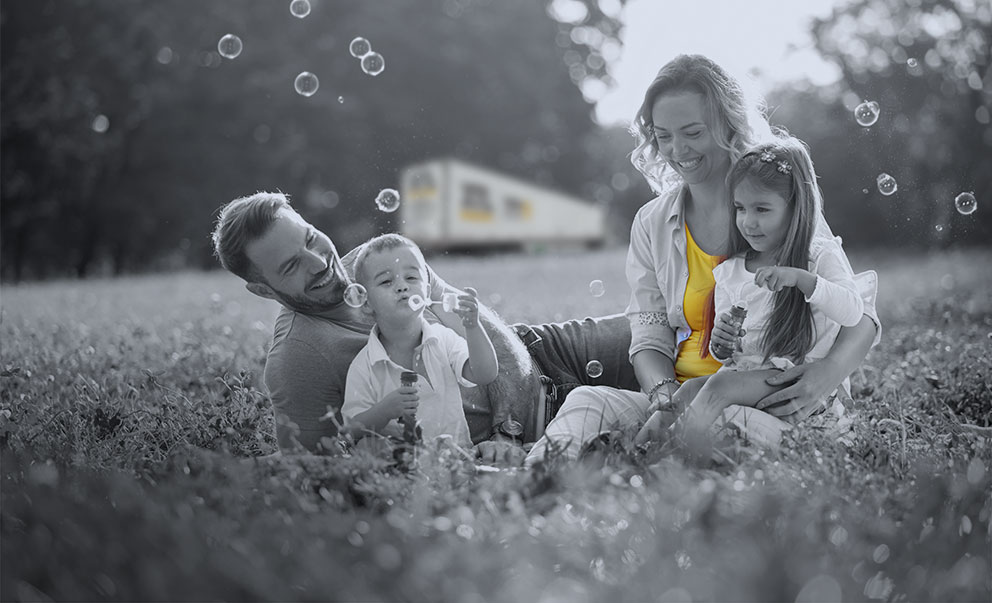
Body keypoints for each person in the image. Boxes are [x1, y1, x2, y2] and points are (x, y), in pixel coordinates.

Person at [525, 54, 881, 466]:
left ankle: (643, 467)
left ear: (728, 124)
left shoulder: (777, 202)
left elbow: (861, 314)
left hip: (773, 404)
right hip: (686, 399)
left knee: (717, 423)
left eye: (692, 132)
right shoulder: (653, 222)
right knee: (587, 400)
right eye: (663, 136)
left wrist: (827, 374)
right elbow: (649, 335)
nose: (677, 150)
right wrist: (663, 397)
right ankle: (536, 476)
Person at [210, 192, 640, 459]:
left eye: (310, 238)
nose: (319, 262)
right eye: (291, 266)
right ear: (263, 290)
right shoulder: (299, 358)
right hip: (543, 422)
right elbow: (313, 462)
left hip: (543, 350)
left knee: (666, 331)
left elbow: (482, 330)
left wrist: (508, 430)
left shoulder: (377, 261)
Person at [635, 137, 870, 449]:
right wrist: (722, 343)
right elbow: (729, 355)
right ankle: (635, 450)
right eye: (740, 208)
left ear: (795, 208)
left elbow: (852, 312)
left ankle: (674, 453)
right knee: (689, 389)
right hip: (750, 382)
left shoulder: (818, 256)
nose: (748, 222)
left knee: (719, 386)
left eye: (762, 209)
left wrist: (801, 279)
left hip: (798, 389)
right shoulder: (732, 271)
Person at [341, 234, 497, 448]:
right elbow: (350, 428)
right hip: (402, 464)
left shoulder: (443, 339)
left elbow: (486, 374)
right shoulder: (365, 365)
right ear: (366, 304)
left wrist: (473, 327)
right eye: (386, 281)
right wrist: (383, 411)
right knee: (367, 447)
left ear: (427, 290)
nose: (402, 286)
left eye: (411, 277)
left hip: (455, 458)